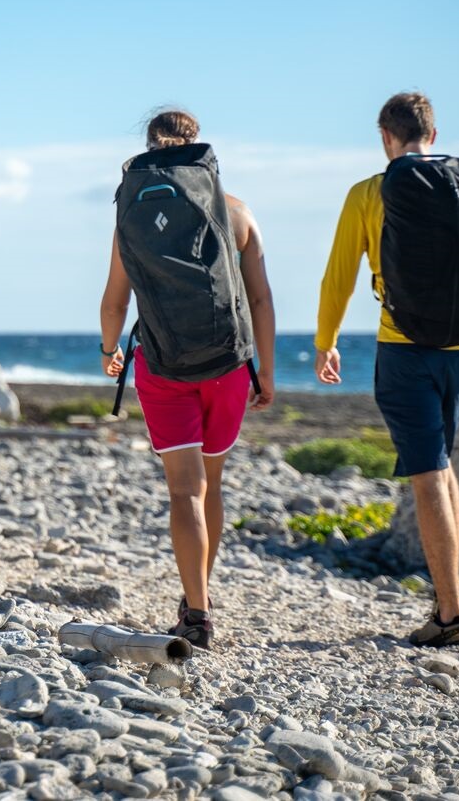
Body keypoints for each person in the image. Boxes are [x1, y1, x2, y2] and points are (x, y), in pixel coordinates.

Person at [315, 92, 459, 648]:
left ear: (386, 137)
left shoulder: (370, 192)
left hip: (404, 347)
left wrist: (326, 342)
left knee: (428, 471)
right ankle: (446, 600)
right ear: (432, 134)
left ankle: (451, 616)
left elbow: (338, 275)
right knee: (442, 463)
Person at [99, 108, 276, 650]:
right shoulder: (239, 213)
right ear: (200, 149)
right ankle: (199, 595)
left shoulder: (130, 213)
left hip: (160, 363)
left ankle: (196, 611)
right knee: (211, 485)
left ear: (151, 149)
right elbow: (262, 298)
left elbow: (115, 300)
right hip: (227, 365)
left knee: (183, 491)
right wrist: (265, 370)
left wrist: (111, 350)